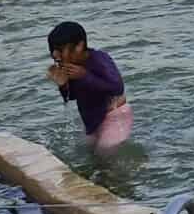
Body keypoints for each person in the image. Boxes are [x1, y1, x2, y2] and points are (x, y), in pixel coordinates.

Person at [46, 22, 131, 152]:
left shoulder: (99, 59)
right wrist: (63, 84)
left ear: (79, 46)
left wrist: (84, 75)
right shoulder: (70, 65)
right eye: (55, 52)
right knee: (92, 155)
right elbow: (72, 96)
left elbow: (117, 87)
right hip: (93, 122)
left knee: (106, 152)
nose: (58, 56)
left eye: (61, 50)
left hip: (114, 115)